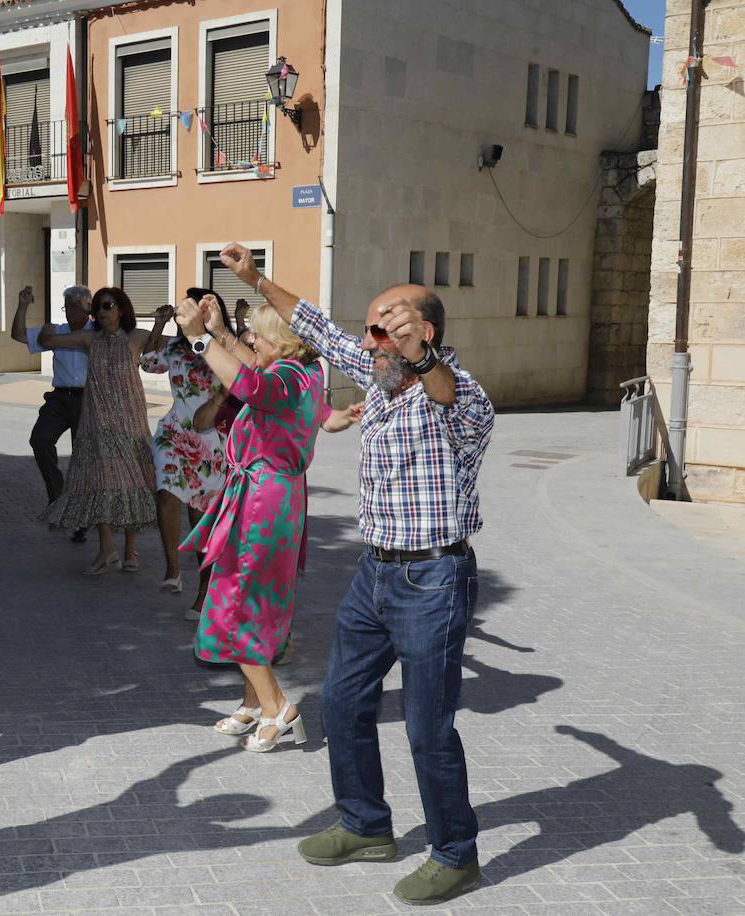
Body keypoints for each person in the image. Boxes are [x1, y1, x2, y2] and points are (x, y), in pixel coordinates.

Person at [216, 242, 495, 905]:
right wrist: (257, 279)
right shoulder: (378, 375)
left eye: (385, 328)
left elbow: (452, 396)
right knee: (341, 702)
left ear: (421, 334)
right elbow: (317, 328)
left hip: (434, 581)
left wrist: (423, 357)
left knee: (429, 729)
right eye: (372, 329)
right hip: (375, 574)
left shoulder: (457, 395)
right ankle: (366, 824)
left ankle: (456, 855)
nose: (368, 340)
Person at [175, 293, 353, 756]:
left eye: (255, 331)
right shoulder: (306, 374)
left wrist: (198, 339)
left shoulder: (287, 379)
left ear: (279, 339)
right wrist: (219, 332)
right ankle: (252, 703)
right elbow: (255, 370)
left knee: (236, 604)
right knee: (258, 601)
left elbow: (248, 385)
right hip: (275, 497)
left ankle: (278, 708)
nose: (249, 337)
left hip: (261, 501)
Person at [37, 287, 158, 573]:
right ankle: (106, 548)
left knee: (132, 482)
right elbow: (48, 340)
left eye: (108, 306)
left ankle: (130, 550)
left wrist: (163, 322)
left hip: (130, 423)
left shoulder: (136, 337)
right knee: (101, 481)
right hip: (97, 421)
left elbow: (166, 344)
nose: (101, 312)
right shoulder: (89, 338)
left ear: (121, 310)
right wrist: (46, 326)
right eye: (98, 308)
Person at [140, 289, 231, 610]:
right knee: (165, 494)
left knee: (200, 515)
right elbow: (148, 363)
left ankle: (206, 588)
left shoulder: (224, 349)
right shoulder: (176, 346)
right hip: (175, 432)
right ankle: (173, 570)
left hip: (210, 440)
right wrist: (158, 325)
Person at [10, 283, 92, 542]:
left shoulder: (98, 332)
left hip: (88, 399)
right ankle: (58, 498)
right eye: (66, 307)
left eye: (73, 307)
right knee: (40, 440)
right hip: (59, 398)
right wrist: (23, 305)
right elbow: (19, 335)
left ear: (85, 308)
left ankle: (81, 518)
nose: (68, 312)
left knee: (83, 459)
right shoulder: (55, 332)